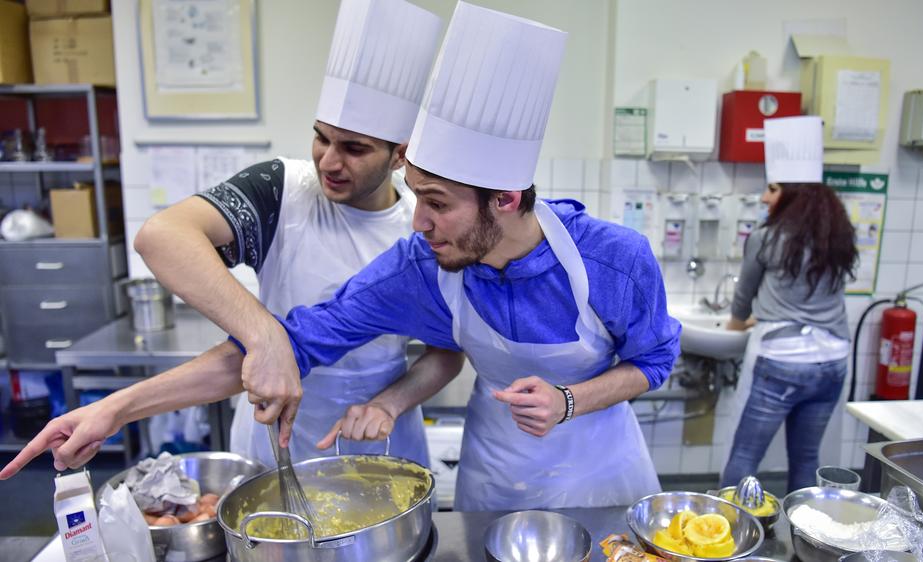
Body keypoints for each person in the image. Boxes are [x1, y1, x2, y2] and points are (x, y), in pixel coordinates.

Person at [1, 2, 681, 514]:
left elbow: (654, 360)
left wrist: (571, 399)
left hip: (604, 476)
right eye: (416, 197)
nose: (418, 223)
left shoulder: (614, 261)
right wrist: (117, 409)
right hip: (496, 479)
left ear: (504, 199)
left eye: (436, 203)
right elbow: (286, 344)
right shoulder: (418, 268)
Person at [132, 0, 462, 467]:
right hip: (274, 439)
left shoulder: (424, 226)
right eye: (322, 137)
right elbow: (161, 236)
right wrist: (266, 337)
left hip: (379, 439)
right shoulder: (281, 190)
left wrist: (390, 403)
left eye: (353, 148)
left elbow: (446, 351)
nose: (329, 161)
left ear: (398, 156)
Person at [719, 116, 859, 492]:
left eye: (773, 188)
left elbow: (743, 297)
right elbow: (808, 296)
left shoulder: (766, 237)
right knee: (806, 459)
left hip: (781, 362)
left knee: (744, 458)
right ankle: (805, 527)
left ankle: (727, 525)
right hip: (832, 361)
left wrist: (736, 326)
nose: (765, 198)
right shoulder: (838, 234)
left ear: (794, 194)